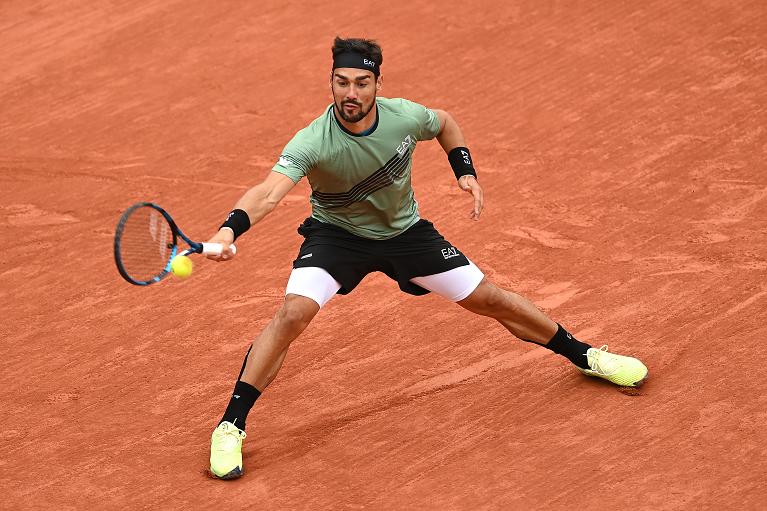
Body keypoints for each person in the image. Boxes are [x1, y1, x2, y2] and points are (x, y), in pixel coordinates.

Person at [204, 37, 648, 479]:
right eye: (341, 82)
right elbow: (268, 193)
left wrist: (465, 172)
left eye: (361, 82)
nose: (351, 94)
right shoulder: (312, 141)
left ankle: (587, 357)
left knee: (490, 298)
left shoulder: (405, 117)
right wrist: (228, 231)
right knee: (292, 314)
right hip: (337, 237)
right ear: (331, 82)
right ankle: (231, 425)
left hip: (406, 234)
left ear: (378, 83)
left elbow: (446, 124)